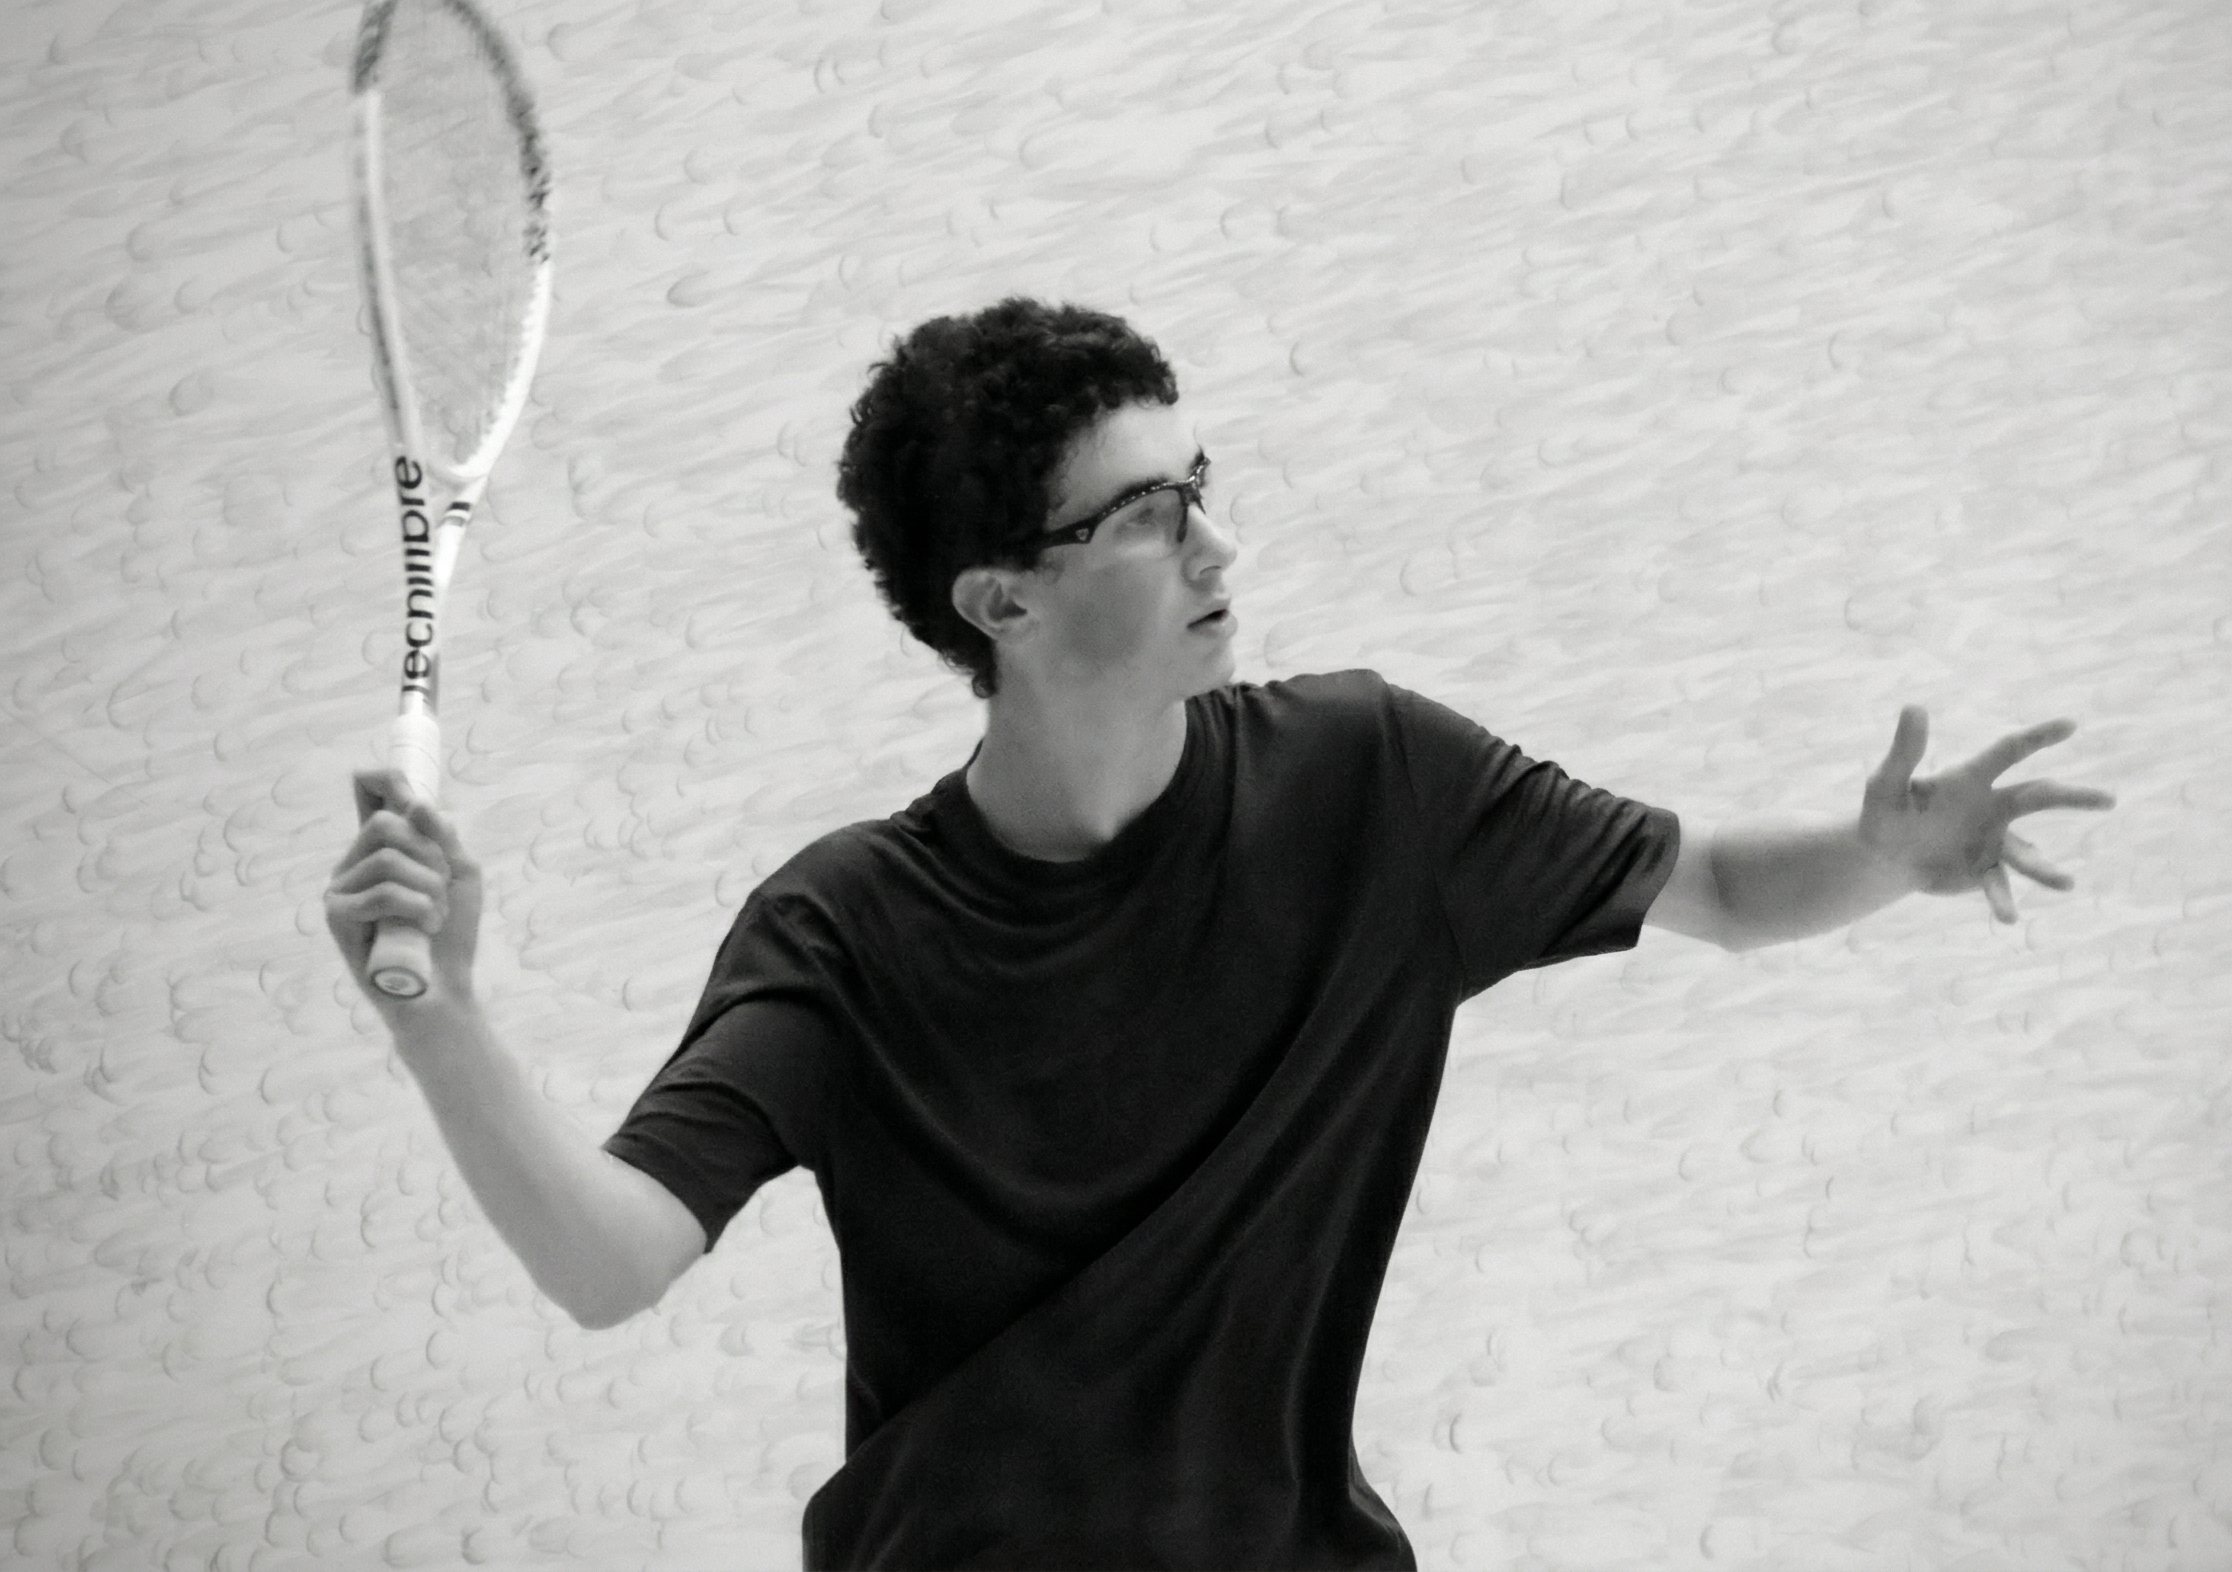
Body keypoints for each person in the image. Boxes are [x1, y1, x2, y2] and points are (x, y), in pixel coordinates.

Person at [323, 296, 2113, 1569]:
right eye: (1151, 515)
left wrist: (1888, 857)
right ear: (1002, 600)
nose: (1216, 543)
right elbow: (612, 1262)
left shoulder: (1373, 781)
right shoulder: (847, 932)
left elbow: (1712, 885)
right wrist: (443, 1022)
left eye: (1205, 483)